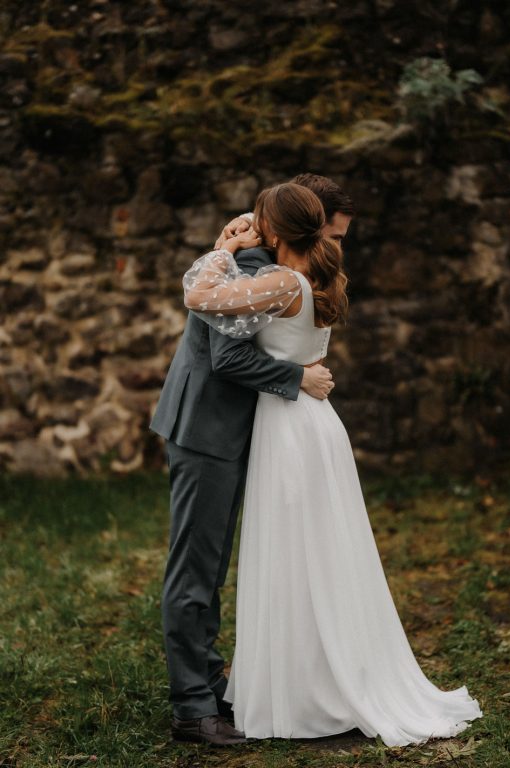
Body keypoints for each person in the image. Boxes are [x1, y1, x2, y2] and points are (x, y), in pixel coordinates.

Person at [183, 182, 483, 745]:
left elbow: (199, 296)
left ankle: (307, 688)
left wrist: (224, 247)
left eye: (262, 222)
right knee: (314, 554)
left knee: (297, 554)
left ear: (276, 231)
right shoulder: (317, 277)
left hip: (291, 428)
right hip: (307, 422)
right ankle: (308, 678)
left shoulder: (281, 282)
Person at [150, 175, 355, 746]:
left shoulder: (268, 261)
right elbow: (226, 357)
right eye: (332, 234)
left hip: (237, 430)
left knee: (213, 564)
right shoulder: (251, 265)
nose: (333, 246)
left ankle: (209, 679)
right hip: (206, 428)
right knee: (196, 568)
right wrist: (298, 376)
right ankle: (192, 708)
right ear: (304, 223)